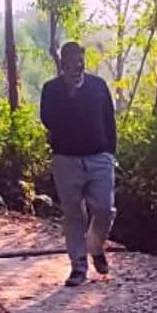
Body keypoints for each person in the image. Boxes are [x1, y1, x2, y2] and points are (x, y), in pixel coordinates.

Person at [40, 41, 117, 287]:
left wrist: (110, 152)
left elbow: (109, 120)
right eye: (72, 62)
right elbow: (49, 120)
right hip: (66, 159)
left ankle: (95, 246)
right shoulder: (51, 89)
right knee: (74, 214)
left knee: (104, 209)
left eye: (80, 60)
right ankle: (78, 266)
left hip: (99, 157)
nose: (77, 66)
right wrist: (70, 94)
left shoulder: (98, 85)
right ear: (63, 64)